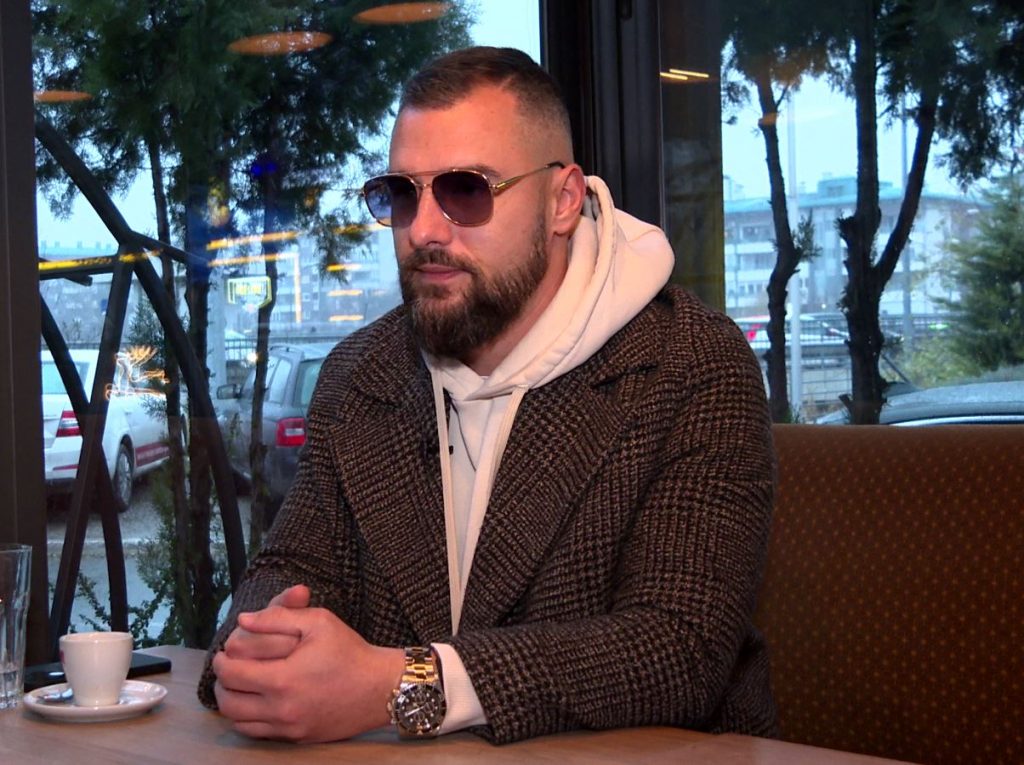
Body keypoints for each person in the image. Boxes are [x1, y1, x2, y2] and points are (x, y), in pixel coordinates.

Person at [199, 45, 776, 745]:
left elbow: (678, 648)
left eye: (466, 190)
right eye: (402, 194)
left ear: (562, 201)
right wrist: (261, 649)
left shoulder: (690, 364)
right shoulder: (360, 374)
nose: (424, 230)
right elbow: (291, 568)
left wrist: (406, 684)